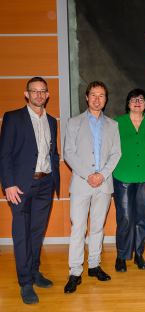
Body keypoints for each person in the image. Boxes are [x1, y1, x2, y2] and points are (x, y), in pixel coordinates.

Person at [0, 77, 60, 304]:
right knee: (22, 235)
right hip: (21, 187)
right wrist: (8, 184)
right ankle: (25, 282)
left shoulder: (52, 121)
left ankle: (34, 272)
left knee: (36, 233)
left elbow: (51, 152)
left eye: (42, 91)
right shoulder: (13, 117)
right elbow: (4, 154)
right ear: (26, 94)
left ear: (47, 95)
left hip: (45, 184)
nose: (38, 95)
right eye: (34, 91)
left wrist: (54, 176)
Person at [63, 81, 121, 293]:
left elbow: (116, 154)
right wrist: (89, 175)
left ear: (106, 100)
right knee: (78, 228)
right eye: (93, 95)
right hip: (81, 183)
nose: (97, 99)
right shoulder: (73, 122)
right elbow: (68, 152)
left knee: (97, 227)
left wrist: (102, 175)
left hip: (103, 184)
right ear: (87, 97)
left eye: (102, 96)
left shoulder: (113, 125)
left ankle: (94, 266)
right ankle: (75, 271)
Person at [112, 88, 145, 272]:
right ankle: (122, 256)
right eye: (133, 99)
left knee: (142, 218)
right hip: (123, 175)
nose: (137, 101)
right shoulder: (117, 123)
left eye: (141, 99)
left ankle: (138, 254)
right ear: (128, 103)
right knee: (125, 217)